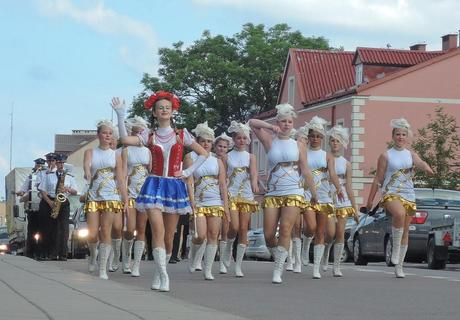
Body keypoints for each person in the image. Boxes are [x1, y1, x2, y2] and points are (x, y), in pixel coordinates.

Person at [112, 91, 208, 292]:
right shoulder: (149, 135)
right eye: (160, 108)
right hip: (154, 185)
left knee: (168, 237)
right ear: (154, 113)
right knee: (157, 229)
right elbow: (123, 139)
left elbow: (203, 153)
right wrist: (121, 115)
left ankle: (158, 271)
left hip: (174, 186)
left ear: (172, 111)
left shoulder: (182, 135)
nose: (164, 110)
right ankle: (164, 275)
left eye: (167, 107)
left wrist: (187, 171)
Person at [249, 104, 317, 283]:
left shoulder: (298, 144)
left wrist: (314, 194)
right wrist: (270, 127)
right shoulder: (269, 140)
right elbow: (252, 123)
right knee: (269, 234)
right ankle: (279, 255)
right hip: (273, 192)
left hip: (294, 190)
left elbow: (306, 170)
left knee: (286, 228)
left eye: (289, 121)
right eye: (283, 121)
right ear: (278, 122)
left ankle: (278, 270)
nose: (286, 124)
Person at [375, 118, 433, 278]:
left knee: (406, 231)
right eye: (398, 134)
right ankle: (394, 248)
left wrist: (427, 168)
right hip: (390, 192)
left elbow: (420, 163)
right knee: (399, 214)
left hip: (408, 194)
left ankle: (399, 266)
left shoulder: (411, 154)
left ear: (407, 137)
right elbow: (378, 178)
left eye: (403, 134)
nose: (401, 137)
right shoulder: (386, 155)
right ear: (393, 136)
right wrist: (370, 199)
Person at [297, 116, 343, 279]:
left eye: (318, 136)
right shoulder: (302, 153)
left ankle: (316, 267)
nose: (315, 139)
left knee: (323, 232)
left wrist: (338, 188)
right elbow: (298, 172)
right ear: (308, 137)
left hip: (323, 196)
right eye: (312, 136)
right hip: (307, 195)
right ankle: (306, 243)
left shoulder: (327, 156)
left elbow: (332, 174)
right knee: (310, 226)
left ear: (322, 138)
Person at [185, 122, 230, 280]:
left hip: (215, 201)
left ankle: (208, 269)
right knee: (200, 235)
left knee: (213, 235)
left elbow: (223, 185)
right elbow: (189, 181)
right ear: (197, 141)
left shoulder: (217, 161)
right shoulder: (190, 157)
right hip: (199, 201)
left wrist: (226, 207)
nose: (206, 144)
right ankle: (194, 255)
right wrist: (192, 202)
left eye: (209, 141)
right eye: (203, 141)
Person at [83, 120, 128, 280]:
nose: (107, 136)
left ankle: (103, 268)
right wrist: (88, 173)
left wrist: (125, 199)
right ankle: (93, 253)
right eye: (104, 133)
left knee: (106, 229)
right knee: (92, 233)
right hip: (94, 195)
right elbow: (87, 166)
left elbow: (121, 179)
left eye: (110, 133)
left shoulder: (116, 155)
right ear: (98, 135)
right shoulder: (90, 152)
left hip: (111, 196)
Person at [221, 121, 259, 278]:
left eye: (244, 138)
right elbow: (222, 176)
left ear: (248, 139)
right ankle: (229, 246)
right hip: (231, 194)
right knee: (234, 227)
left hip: (246, 195)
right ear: (234, 139)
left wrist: (255, 184)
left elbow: (254, 173)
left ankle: (238, 265)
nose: (241, 140)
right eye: (238, 138)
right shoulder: (226, 156)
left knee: (244, 228)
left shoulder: (251, 157)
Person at [325, 125, 359, 276]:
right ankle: (326, 249)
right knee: (330, 232)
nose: (335, 143)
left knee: (340, 232)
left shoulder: (347, 164)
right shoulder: (325, 158)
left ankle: (337, 265)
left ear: (342, 143)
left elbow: (350, 187)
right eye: (332, 140)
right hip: (328, 195)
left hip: (343, 198)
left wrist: (355, 208)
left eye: (337, 141)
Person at [122, 116, 151, 276]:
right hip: (131, 195)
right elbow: (124, 174)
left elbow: (151, 173)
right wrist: (125, 196)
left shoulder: (148, 151)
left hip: (144, 195)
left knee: (141, 229)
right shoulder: (126, 151)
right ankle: (126, 258)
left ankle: (136, 264)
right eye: (136, 132)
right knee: (130, 229)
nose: (139, 135)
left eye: (142, 132)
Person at [38, 154, 78, 261]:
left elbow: (75, 191)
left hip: (63, 202)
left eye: (63, 163)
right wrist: (50, 202)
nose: (61, 165)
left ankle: (63, 253)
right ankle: (51, 253)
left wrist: (67, 189)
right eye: (59, 163)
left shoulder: (69, 177)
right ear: (56, 163)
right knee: (50, 228)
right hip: (51, 201)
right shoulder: (49, 175)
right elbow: (42, 190)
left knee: (64, 229)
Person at [17, 158, 46, 259]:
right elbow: (24, 189)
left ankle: (42, 253)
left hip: (43, 210)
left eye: (40, 165)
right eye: (37, 165)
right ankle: (31, 253)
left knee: (43, 232)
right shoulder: (30, 177)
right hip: (32, 210)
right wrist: (21, 192)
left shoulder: (46, 176)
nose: (38, 167)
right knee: (32, 232)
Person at [213, 132, 233, 274]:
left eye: (224, 147)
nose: (221, 149)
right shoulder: (210, 159)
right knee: (213, 230)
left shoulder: (230, 160)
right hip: (212, 196)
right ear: (215, 147)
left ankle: (223, 260)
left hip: (227, 196)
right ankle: (203, 257)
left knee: (225, 229)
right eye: (219, 146)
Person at [36, 152, 57, 260]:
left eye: (52, 161)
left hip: (56, 200)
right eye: (49, 161)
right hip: (45, 199)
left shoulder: (60, 173)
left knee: (54, 228)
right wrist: (49, 201)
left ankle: (52, 252)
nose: (50, 163)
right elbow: (40, 188)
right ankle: (42, 252)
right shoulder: (43, 173)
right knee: (43, 228)